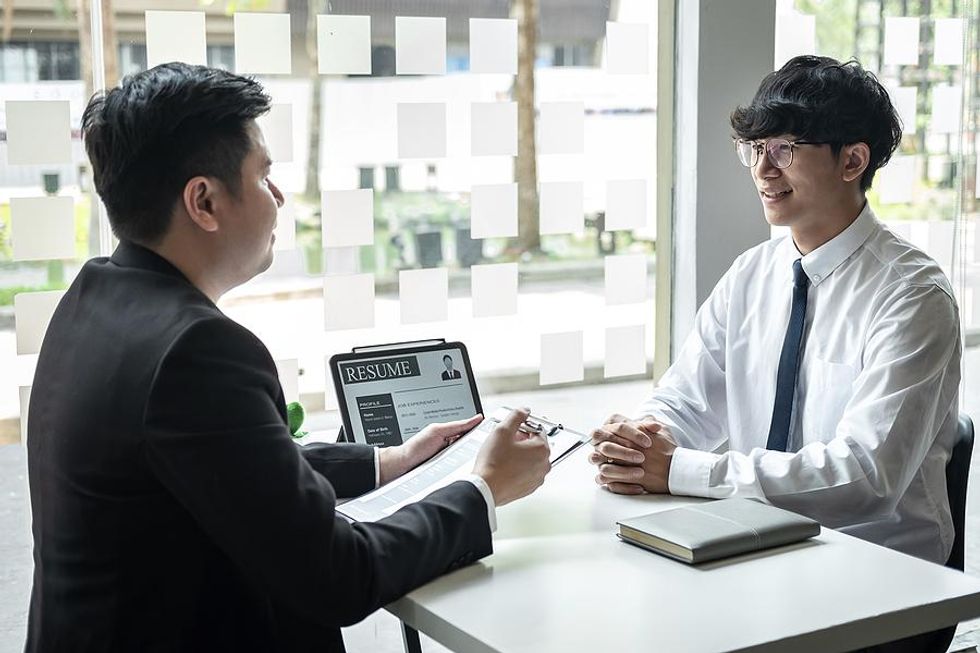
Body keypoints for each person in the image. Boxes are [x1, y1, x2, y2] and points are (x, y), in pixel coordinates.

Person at [24, 63, 552, 652]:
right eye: (264, 174)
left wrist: (388, 462)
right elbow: (337, 577)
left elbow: (226, 463)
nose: (278, 196)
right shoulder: (196, 351)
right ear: (204, 200)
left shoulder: (93, 299)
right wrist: (484, 489)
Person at [590, 56, 960, 651]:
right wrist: (639, 439)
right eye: (753, 148)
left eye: (784, 148)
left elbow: (865, 476)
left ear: (853, 160)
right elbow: (687, 398)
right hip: (755, 551)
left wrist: (681, 469)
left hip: (881, 582)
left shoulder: (912, 295)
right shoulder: (752, 274)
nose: (762, 169)